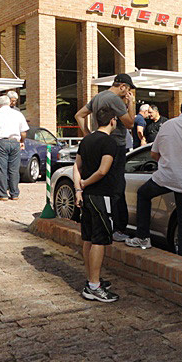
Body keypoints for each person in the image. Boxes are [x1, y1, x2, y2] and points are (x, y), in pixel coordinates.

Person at [126, 96, 182, 258]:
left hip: (165, 177)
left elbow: (154, 153)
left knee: (143, 194)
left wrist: (167, 163)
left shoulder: (167, 125)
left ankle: (143, 237)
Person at [75, 74, 135, 242]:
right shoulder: (114, 99)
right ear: (122, 86)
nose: (127, 94)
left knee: (100, 184)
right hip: (115, 145)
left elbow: (79, 115)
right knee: (117, 186)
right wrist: (131, 104)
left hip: (97, 142)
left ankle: (100, 223)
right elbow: (130, 123)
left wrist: (88, 135)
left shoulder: (98, 97)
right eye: (128, 91)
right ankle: (118, 229)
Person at [74, 106, 121, 303]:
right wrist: (84, 183)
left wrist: (78, 189)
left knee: (88, 238)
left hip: (86, 197)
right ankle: (94, 286)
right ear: (112, 121)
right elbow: (103, 171)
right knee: (100, 240)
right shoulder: (109, 142)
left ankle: (91, 279)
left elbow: (77, 166)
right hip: (101, 196)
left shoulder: (87, 140)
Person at [0, 95, 28, 201]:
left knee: (1, 168)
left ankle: (2, 194)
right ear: (9, 103)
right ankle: (15, 193)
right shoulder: (18, 114)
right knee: (14, 169)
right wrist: (21, 141)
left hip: (0, 142)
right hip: (14, 141)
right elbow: (24, 132)